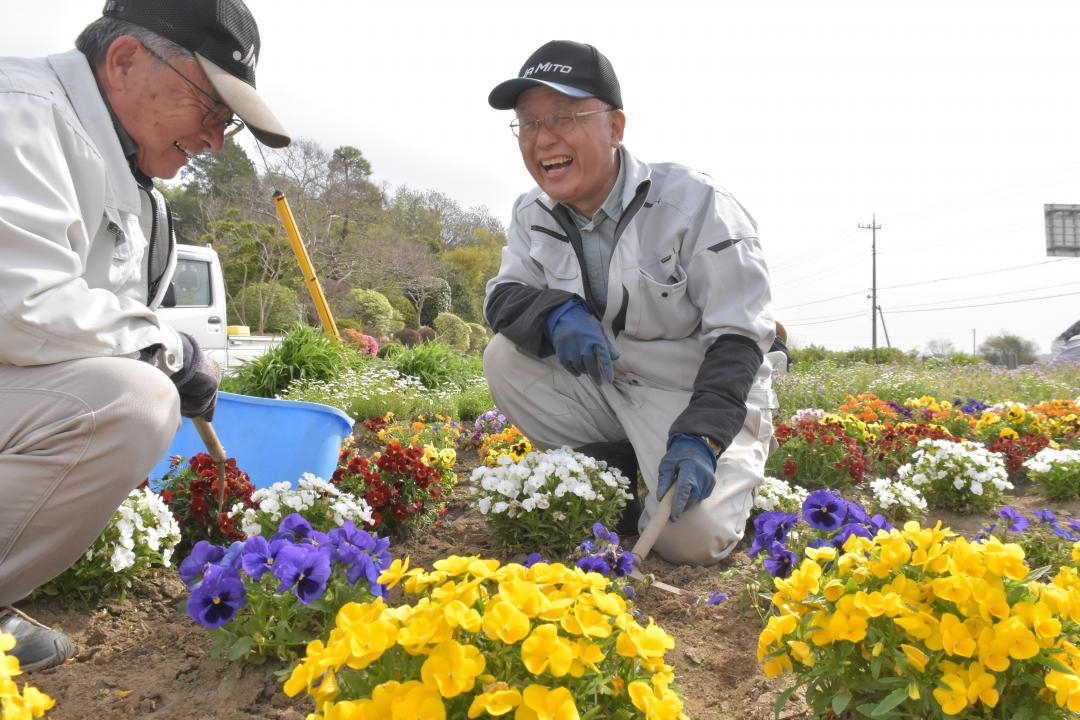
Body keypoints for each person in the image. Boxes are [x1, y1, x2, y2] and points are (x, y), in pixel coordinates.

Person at [0, 0, 290, 672]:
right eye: (211, 107)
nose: (217, 139)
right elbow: (19, 303)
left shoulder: (146, 203)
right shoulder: (19, 110)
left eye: (230, 124)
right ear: (125, 60)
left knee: (130, 395)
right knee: (134, 400)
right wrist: (168, 352)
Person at [483, 40, 783, 566]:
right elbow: (503, 297)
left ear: (615, 127)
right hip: (612, 383)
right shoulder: (532, 211)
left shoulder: (696, 203)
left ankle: (731, 453)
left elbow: (740, 336)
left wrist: (704, 434)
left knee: (692, 542)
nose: (543, 138)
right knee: (505, 357)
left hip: (691, 392)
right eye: (527, 123)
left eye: (563, 117)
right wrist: (553, 312)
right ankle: (620, 469)